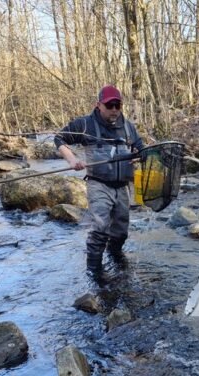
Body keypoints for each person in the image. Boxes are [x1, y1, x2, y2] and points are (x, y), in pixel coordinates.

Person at [55, 85, 144, 279]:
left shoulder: (128, 127)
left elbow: (140, 148)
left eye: (117, 105)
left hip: (122, 187)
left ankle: (115, 256)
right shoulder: (85, 125)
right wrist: (72, 160)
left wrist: (140, 155)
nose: (114, 109)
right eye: (109, 105)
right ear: (99, 105)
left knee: (121, 232)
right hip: (98, 184)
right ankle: (94, 270)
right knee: (101, 227)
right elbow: (59, 138)